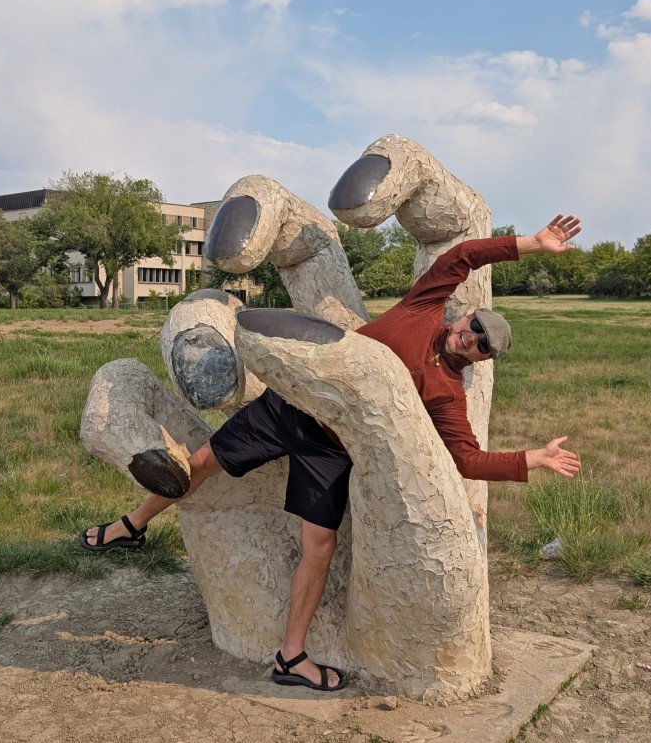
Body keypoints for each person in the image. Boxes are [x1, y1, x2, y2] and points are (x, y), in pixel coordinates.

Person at [78, 214, 584, 693]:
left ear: (482, 359)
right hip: (287, 408)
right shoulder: (423, 307)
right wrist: (533, 245)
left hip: (330, 452)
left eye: (480, 346)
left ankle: (291, 657)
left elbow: (467, 459)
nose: (469, 339)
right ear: (466, 315)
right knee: (200, 463)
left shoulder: (447, 393)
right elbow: (466, 254)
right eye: (474, 328)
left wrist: (530, 460)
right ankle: (133, 525)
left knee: (317, 548)